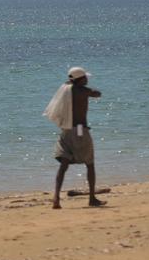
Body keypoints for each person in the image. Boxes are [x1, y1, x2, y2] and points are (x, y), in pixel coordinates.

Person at [44, 66, 105, 209]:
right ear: (81, 79)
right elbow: (98, 93)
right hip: (80, 131)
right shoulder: (83, 91)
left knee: (63, 165)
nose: (87, 79)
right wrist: (87, 89)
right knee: (90, 164)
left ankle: (56, 198)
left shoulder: (65, 90)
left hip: (66, 131)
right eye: (85, 77)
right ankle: (91, 198)